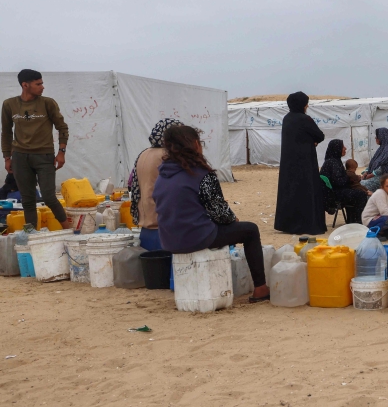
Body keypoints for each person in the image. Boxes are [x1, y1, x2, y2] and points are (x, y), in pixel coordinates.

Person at [153, 125, 270, 303]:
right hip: (196, 237)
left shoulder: (163, 175)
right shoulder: (200, 174)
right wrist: (233, 220)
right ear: (195, 144)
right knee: (250, 230)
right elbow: (220, 213)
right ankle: (261, 289)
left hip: (169, 239)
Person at [1, 69, 70, 230]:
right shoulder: (9, 104)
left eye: (42, 83)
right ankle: (32, 236)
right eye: (38, 84)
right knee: (28, 199)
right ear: (25, 85)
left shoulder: (47, 103)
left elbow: (62, 127)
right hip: (19, 157)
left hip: (44, 156)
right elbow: (6, 132)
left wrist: (61, 152)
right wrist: (7, 157)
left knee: (49, 196)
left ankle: (69, 231)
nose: (42, 87)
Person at [274, 92, 326, 235]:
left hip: (288, 163)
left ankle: (287, 225)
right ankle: (305, 225)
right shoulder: (304, 119)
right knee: (306, 191)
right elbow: (320, 135)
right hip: (304, 162)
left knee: (290, 191)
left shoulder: (287, 119)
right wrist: (312, 141)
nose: (307, 106)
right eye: (306, 103)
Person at [128, 118, 181, 251]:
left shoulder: (143, 154)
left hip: (146, 228)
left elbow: (132, 185)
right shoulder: (167, 156)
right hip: (163, 226)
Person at [319, 139, 368, 224]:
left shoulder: (334, 161)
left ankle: (352, 220)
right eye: (342, 147)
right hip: (334, 195)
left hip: (335, 192)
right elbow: (339, 182)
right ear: (337, 149)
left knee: (358, 192)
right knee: (361, 194)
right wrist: (350, 177)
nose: (345, 148)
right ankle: (357, 221)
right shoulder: (333, 163)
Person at [360, 128, 388, 192]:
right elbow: (374, 162)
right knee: (359, 184)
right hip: (381, 174)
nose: (375, 138)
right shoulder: (383, 147)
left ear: (381, 137)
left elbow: (383, 166)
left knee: (362, 186)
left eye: (377, 137)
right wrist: (366, 171)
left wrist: (372, 174)